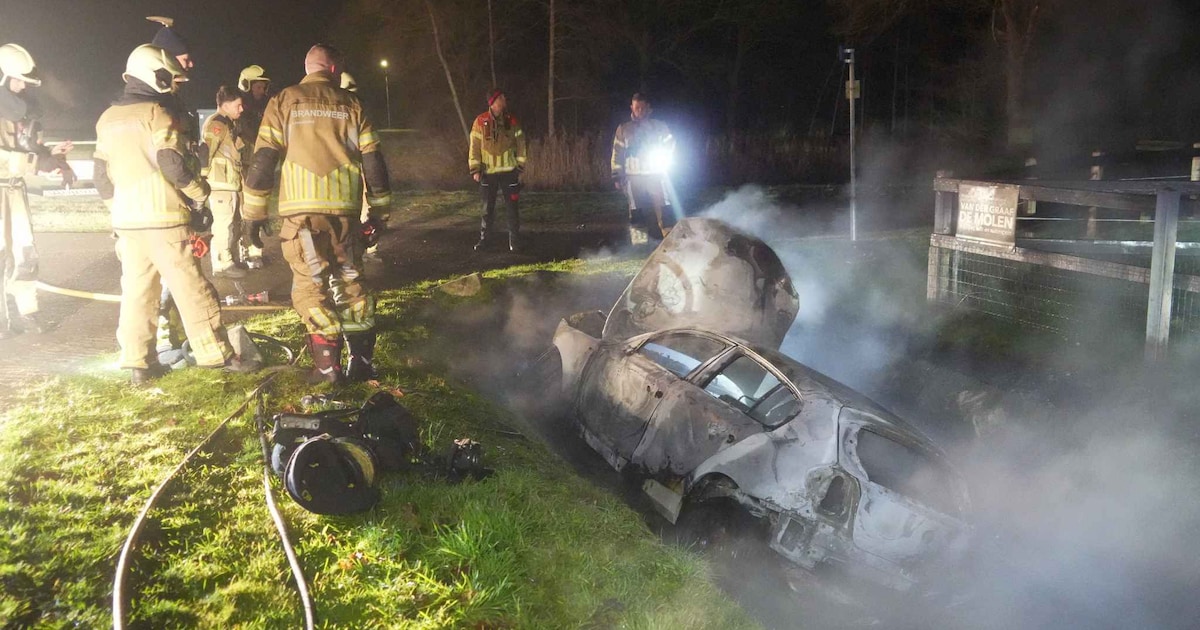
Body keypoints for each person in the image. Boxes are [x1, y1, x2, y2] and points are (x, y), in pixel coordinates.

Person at [94, 44, 257, 384]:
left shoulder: (107, 118)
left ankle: (139, 364)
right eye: (172, 79)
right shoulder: (157, 113)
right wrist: (199, 194)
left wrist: (117, 211)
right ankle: (217, 354)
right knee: (191, 288)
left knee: (138, 293)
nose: (174, 86)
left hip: (127, 223)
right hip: (164, 218)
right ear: (157, 76)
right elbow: (171, 162)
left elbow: (100, 177)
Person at [244, 44, 391, 383]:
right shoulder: (353, 104)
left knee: (311, 287)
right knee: (352, 284)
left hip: (302, 217)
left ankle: (327, 368)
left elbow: (263, 161)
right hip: (345, 215)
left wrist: (253, 214)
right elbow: (374, 163)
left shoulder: (283, 101)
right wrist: (380, 213)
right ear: (334, 69)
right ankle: (362, 363)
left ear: (307, 67)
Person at [0, 43, 74, 339]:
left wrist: (50, 156)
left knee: (25, 252)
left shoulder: (20, 115)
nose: (23, 87)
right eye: (19, 81)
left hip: (15, 191)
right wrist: (38, 163)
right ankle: (6, 316)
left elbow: (28, 149)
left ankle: (26, 311)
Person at [611, 92, 676, 244]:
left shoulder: (660, 127)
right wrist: (616, 176)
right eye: (636, 108)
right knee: (636, 211)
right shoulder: (624, 129)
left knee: (665, 208)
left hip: (657, 175)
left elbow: (671, 145)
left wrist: (666, 160)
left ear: (648, 108)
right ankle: (639, 244)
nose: (639, 111)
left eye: (642, 107)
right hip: (633, 178)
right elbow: (617, 153)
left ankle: (671, 241)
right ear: (631, 108)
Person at [468, 89, 527, 252]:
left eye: (504, 97)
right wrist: (475, 169)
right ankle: (485, 240)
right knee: (487, 209)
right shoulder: (480, 121)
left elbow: (521, 142)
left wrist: (520, 165)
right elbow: (474, 147)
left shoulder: (512, 121)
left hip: (509, 173)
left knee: (512, 209)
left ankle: (515, 241)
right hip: (487, 173)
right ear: (493, 102)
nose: (504, 100)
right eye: (500, 98)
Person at [199, 86, 247, 279]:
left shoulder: (228, 124)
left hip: (229, 182)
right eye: (238, 105)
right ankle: (222, 263)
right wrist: (203, 179)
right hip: (220, 184)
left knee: (231, 223)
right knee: (223, 223)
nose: (241, 109)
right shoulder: (217, 124)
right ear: (225, 105)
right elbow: (206, 151)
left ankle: (229, 259)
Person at [236, 64, 271, 268]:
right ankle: (246, 251)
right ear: (247, 86)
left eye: (264, 87)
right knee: (245, 209)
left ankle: (256, 251)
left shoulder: (265, 108)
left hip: (261, 164)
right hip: (246, 164)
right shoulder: (240, 110)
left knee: (259, 208)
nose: (262, 91)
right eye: (258, 87)